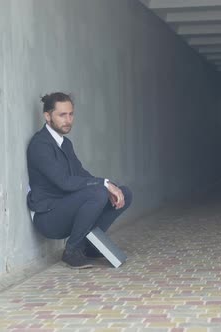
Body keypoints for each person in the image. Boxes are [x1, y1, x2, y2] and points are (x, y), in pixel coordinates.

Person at [26, 92, 133, 269]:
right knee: (98, 191)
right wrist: (103, 184)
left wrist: (110, 186)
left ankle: (89, 247)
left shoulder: (65, 144)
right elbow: (64, 182)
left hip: (66, 207)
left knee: (124, 193)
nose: (68, 120)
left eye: (71, 114)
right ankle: (71, 251)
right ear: (47, 116)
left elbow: (81, 175)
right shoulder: (40, 145)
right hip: (48, 216)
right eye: (62, 115)